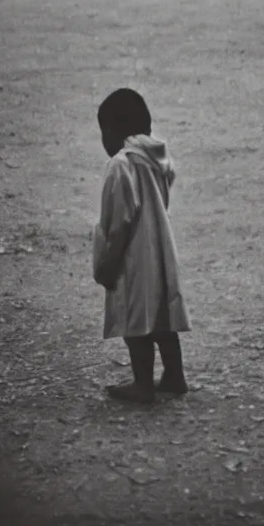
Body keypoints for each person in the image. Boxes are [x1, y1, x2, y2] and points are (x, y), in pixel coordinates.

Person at [93, 88, 191, 404]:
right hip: (159, 248)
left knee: (135, 322)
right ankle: (174, 375)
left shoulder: (121, 165)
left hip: (134, 253)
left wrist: (107, 261)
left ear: (112, 130)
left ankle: (143, 384)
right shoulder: (156, 159)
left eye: (103, 131)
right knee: (161, 315)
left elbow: (119, 220)